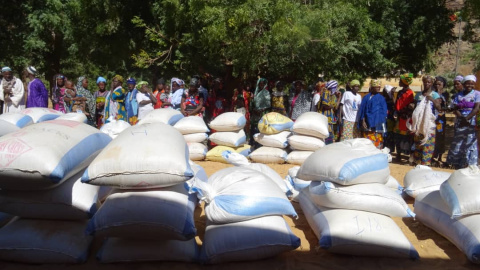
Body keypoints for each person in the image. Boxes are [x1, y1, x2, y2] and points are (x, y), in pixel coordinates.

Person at [445, 75, 480, 169]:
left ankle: (469, 164)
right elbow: (454, 108)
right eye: (467, 83)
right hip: (460, 120)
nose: (469, 85)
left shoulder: (477, 94)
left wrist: (467, 118)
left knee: (470, 141)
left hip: (471, 120)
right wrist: (462, 118)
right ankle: (455, 163)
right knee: (457, 141)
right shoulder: (458, 95)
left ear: (474, 84)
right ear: (464, 84)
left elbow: (476, 108)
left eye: (471, 84)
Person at [411, 75, 442, 166]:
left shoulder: (435, 95)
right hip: (419, 123)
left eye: (429, 82)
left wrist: (431, 99)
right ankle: (417, 162)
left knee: (428, 143)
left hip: (429, 123)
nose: (427, 84)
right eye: (425, 82)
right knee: (418, 144)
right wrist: (412, 106)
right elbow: (415, 106)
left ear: (432, 83)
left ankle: (426, 163)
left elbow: (439, 107)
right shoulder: (418, 95)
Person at [357, 79, 388, 149]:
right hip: (367, 125)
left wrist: (381, 123)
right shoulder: (366, 98)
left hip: (378, 126)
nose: (378, 88)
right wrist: (363, 120)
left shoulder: (382, 98)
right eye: (376, 87)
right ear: (372, 87)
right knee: (367, 145)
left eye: (379, 87)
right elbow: (362, 110)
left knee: (377, 145)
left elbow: (384, 112)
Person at [393, 73, 415, 162]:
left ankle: (411, 155)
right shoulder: (399, 92)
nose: (399, 82)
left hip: (408, 118)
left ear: (404, 82)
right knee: (398, 136)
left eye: (400, 80)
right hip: (400, 117)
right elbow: (397, 104)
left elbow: (413, 105)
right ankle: (398, 154)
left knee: (409, 137)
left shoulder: (411, 93)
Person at [432, 76, 449, 165]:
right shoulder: (432, 94)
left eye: (439, 84)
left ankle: (439, 157)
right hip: (433, 118)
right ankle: (432, 156)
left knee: (441, 137)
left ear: (443, 84)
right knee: (433, 137)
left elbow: (446, 107)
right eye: (436, 84)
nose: (437, 86)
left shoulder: (445, 94)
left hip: (441, 119)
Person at [250, 78, 271, 146]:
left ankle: (260, 143)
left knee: (261, 128)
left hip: (262, 113)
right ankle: (253, 142)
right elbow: (253, 103)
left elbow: (268, 104)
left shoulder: (266, 93)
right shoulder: (256, 92)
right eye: (260, 84)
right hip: (255, 113)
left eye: (263, 84)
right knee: (254, 128)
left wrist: (261, 110)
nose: (261, 85)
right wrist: (254, 109)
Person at [382, 85, 397, 152]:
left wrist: (393, 95)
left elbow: (395, 105)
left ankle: (390, 149)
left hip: (390, 119)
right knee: (385, 135)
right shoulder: (383, 99)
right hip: (384, 120)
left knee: (390, 135)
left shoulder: (391, 99)